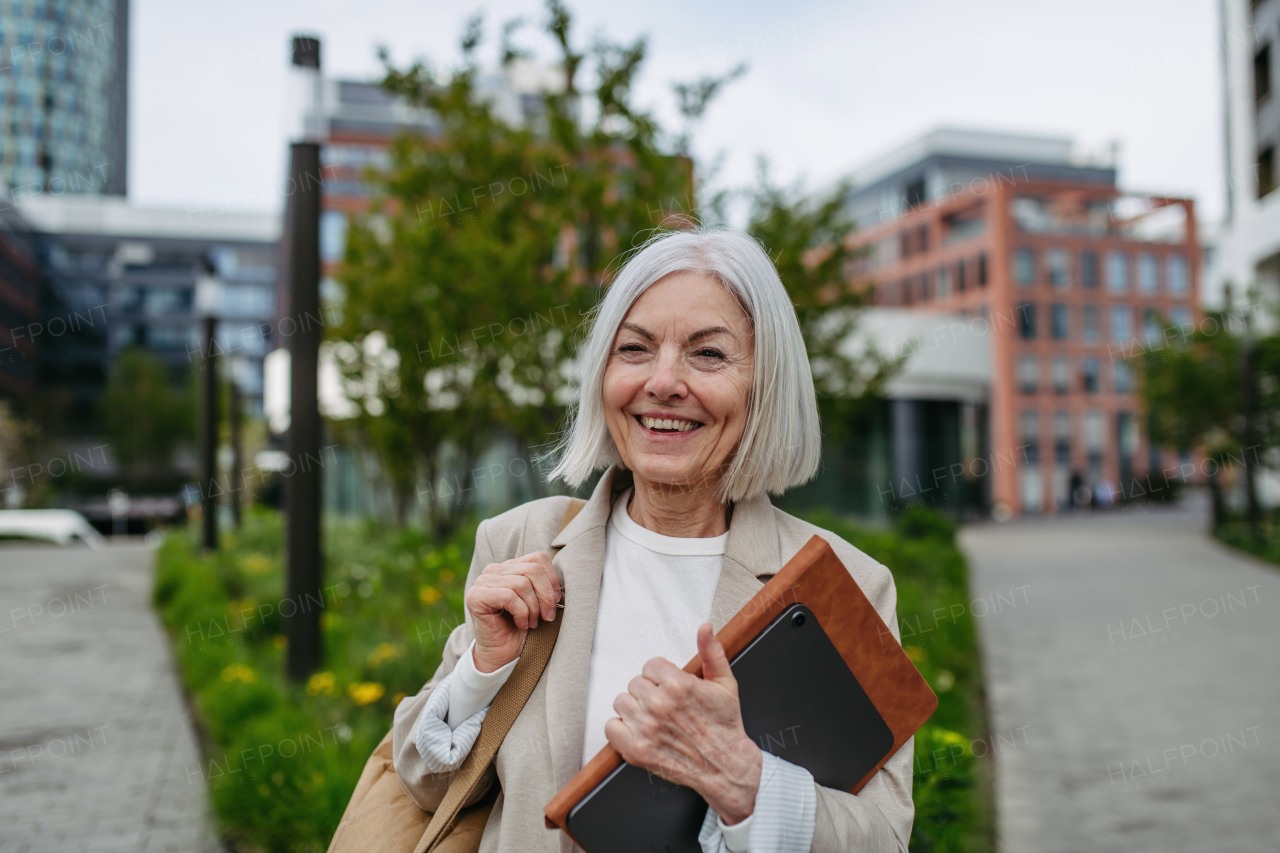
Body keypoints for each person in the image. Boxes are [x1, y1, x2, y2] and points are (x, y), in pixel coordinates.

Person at [393, 228, 914, 853]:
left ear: (765, 386)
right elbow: (424, 784)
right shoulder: (521, 541)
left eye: (709, 354)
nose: (663, 382)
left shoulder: (841, 584)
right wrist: (484, 670)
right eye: (635, 349)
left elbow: (883, 838)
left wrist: (743, 781)